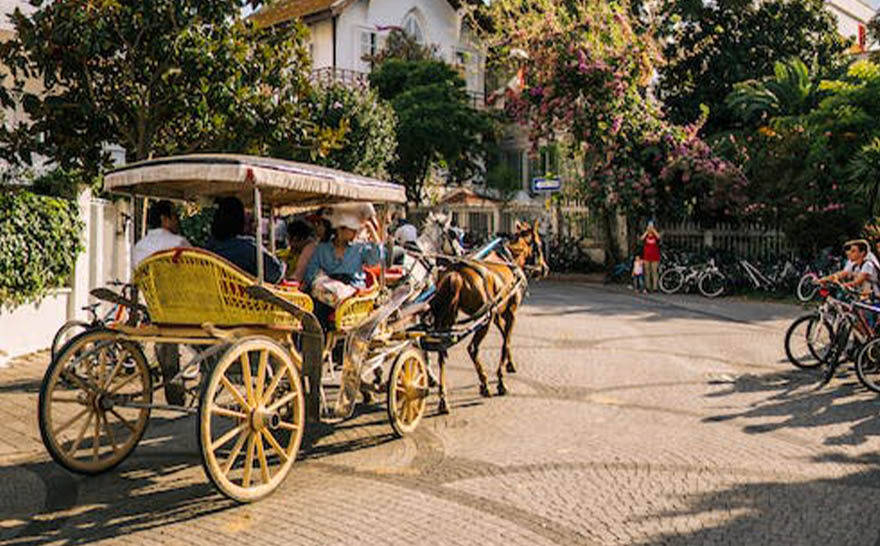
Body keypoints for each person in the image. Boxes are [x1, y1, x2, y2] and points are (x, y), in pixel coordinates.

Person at [304, 203, 384, 329]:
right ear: (340, 229)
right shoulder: (322, 249)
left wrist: (371, 230)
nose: (355, 233)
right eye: (352, 230)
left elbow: (375, 259)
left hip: (353, 294)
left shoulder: (360, 248)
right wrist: (322, 284)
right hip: (328, 293)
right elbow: (310, 273)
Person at [205, 196, 285, 283]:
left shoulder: (207, 251)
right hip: (241, 291)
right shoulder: (247, 248)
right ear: (240, 220)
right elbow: (275, 273)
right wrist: (283, 264)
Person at [132, 200, 190, 267]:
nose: (178, 221)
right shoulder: (179, 243)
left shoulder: (139, 246)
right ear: (164, 219)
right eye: (175, 216)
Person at [640, 221, 661, 292]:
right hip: (646, 257)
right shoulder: (646, 235)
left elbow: (658, 237)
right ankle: (648, 286)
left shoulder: (655, 235)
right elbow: (641, 238)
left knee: (654, 272)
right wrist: (647, 232)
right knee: (647, 272)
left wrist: (653, 230)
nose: (650, 228)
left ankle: (655, 287)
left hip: (655, 257)